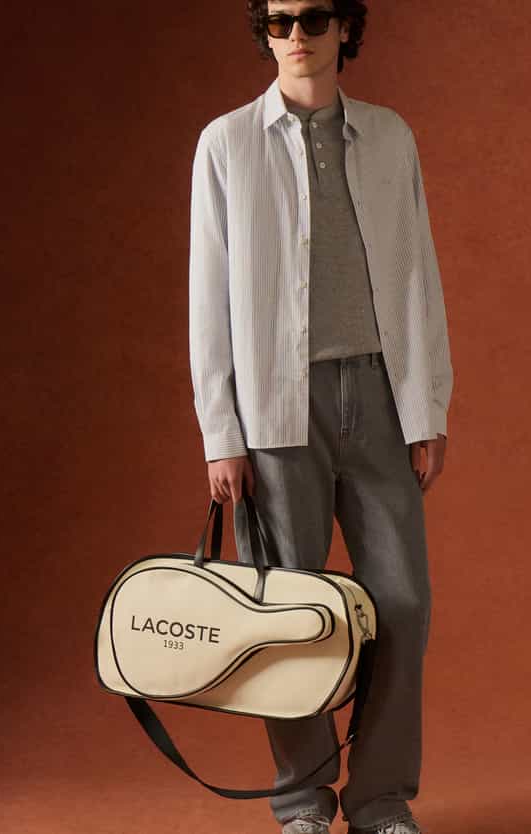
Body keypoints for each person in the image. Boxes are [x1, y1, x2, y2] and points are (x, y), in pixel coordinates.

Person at [188, 1, 453, 832]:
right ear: (264, 33)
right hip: (273, 409)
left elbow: (417, 272)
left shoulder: (390, 137)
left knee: (401, 604)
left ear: (345, 28)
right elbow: (208, 297)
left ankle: (381, 801)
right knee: (284, 616)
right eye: (278, 21)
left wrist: (426, 407)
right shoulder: (227, 143)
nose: (296, 36)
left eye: (313, 17)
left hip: (377, 395)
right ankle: (302, 802)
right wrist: (221, 433)